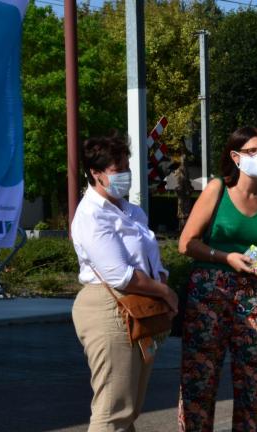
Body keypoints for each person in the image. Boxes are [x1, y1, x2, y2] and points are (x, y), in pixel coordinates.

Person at [177, 126, 257, 431]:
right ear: (236, 157)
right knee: (200, 379)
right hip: (210, 292)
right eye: (252, 151)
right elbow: (186, 243)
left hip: (254, 294)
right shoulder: (217, 189)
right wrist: (226, 258)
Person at [71, 134, 178, 431]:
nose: (126, 176)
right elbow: (120, 274)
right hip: (109, 308)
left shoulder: (131, 211)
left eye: (128, 167)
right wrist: (166, 292)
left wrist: (162, 281)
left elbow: (149, 259)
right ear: (96, 173)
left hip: (139, 306)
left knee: (128, 408)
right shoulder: (92, 214)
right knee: (113, 408)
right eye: (118, 170)